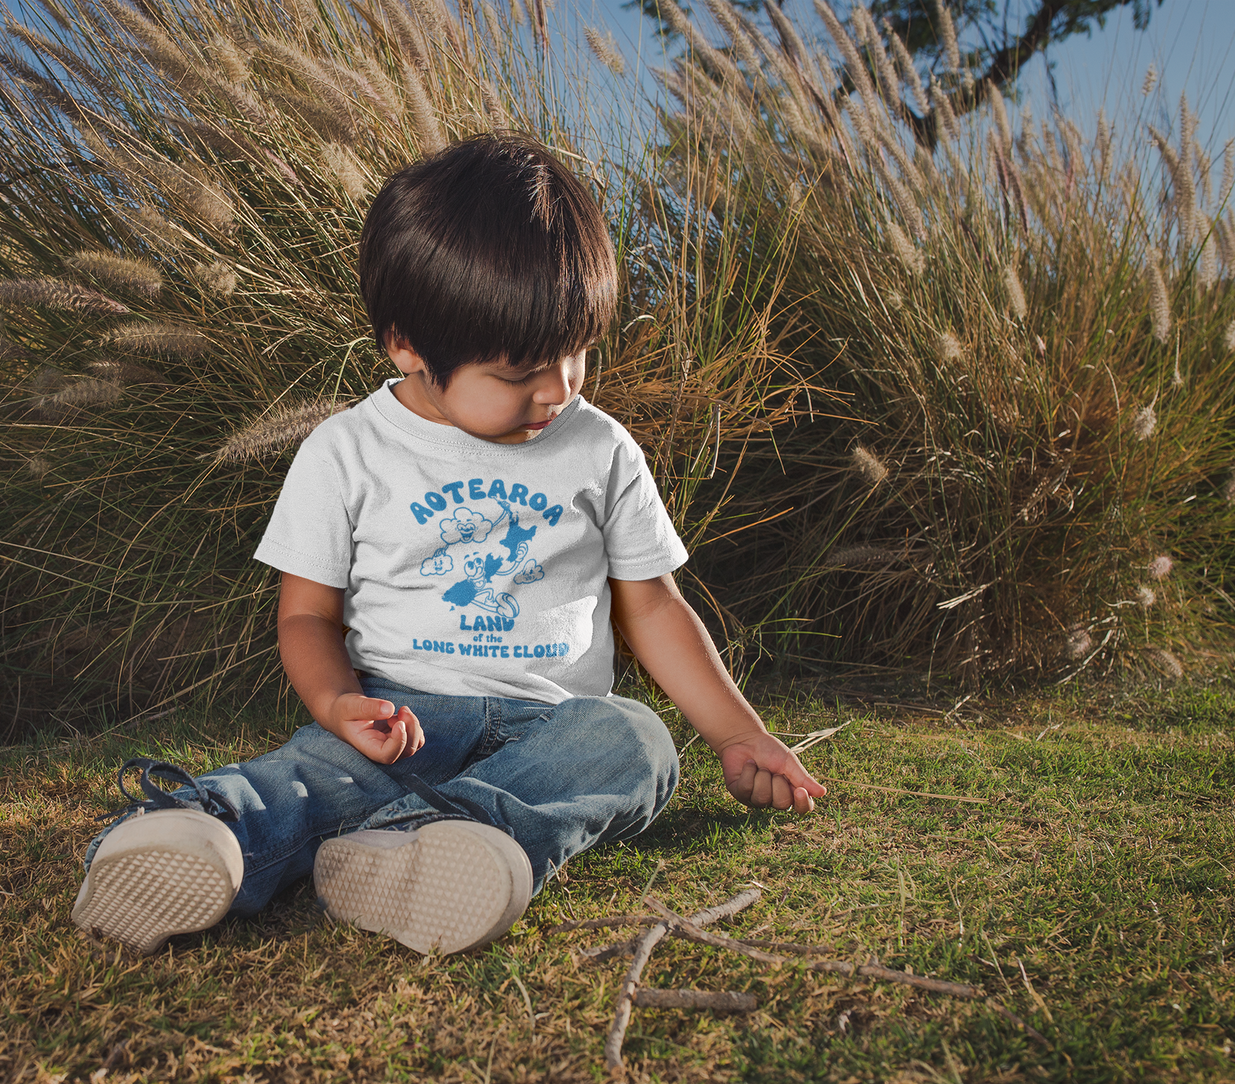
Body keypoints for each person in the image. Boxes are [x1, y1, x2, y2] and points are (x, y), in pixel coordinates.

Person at [70, 132, 825, 957]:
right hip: (400, 718)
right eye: (516, 374)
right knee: (309, 777)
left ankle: (427, 846)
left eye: (574, 352)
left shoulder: (599, 446)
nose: (557, 389)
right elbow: (307, 619)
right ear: (408, 345)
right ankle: (194, 834)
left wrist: (736, 732)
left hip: (555, 726)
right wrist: (338, 707)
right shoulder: (346, 450)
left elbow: (650, 604)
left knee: (636, 742)